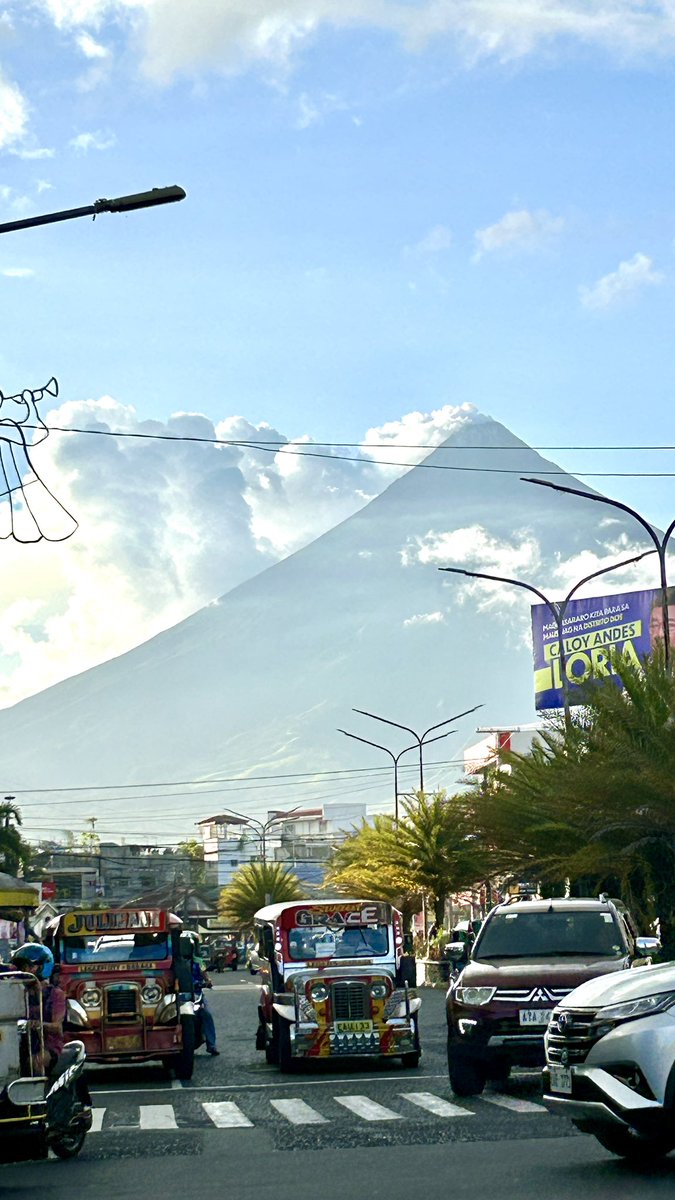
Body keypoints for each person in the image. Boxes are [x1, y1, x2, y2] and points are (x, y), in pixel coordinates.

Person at [11, 942, 66, 1075]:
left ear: (42, 967)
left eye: (27, 966)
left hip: (48, 1045)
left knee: (34, 1062)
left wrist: (36, 1024)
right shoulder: (17, 992)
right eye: (21, 967)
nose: (23, 971)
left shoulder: (55, 994)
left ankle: (39, 1094)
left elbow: (57, 1027)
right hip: (20, 1044)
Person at [184, 932, 219, 1056]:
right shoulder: (175, 962)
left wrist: (208, 982)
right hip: (181, 997)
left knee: (207, 1015)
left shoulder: (199, 962)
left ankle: (212, 1045)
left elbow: (206, 976)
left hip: (197, 995)